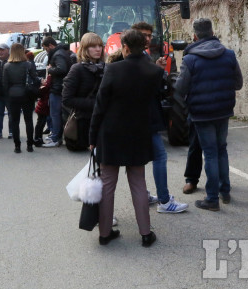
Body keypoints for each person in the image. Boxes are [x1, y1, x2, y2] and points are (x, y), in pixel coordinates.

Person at [89, 29, 162, 247]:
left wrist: (92, 136)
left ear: (126, 47)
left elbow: (99, 106)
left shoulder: (112, 69)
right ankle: (146, 234)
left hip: (110, 134)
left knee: (107, 184)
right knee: (139, 183)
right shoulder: (155, 71)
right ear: (144, 46)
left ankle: (104, 234)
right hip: (139, 133)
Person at [175, 18, 243, 211]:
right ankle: (225, 191)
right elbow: (238, 83)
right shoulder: (228, 55)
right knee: (222, 150)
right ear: (213, 32)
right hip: (223, 111)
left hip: (201, 113)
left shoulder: (190, 59)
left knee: (211, 154)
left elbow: (180, 89)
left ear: (195, 36)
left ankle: (212, 199)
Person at [131, 22, 188, 213]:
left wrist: (157, 69)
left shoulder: (144, 56)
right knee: (158, 157)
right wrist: (157, 73)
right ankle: (164, 201)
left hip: (142, 117)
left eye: (149, 35)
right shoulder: (137, 58)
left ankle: (145, 195)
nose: (147, 38)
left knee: (139, 160)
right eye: (143, 35)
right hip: (145, 117)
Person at [62, 33, 105, 151]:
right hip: (83, 122)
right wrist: (95, 103)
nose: (98, 49)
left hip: (102, 121)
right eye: (93, 46)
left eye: (100, 46)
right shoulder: (77, 69)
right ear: (85, 49)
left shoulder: (106, 68)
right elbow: (67, 99)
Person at [3, 43, 38, 153]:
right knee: (28, 120)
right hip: (27, 94)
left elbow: (5, 84)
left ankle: (17, 146)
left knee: (15, 121)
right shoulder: (28, 64)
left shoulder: (7, 66)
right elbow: (35, 78)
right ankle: (30, 145)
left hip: (13, 95)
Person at [42, 36, 71, 147]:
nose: (46, 51)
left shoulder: (58, 54)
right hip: (61, 87)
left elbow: (61, 69)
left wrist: (50, 69)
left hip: (57, 88)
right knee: (57, 114)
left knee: (55, 114)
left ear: (50, 45)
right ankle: (56, 136)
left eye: (46, 48)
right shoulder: (62, 52)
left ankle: (56, 138)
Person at [33, 74, 52, 147]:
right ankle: (37, 138)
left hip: (41, 109)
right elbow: (48, 85)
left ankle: (38, 138)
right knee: (40, 124)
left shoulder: (42, 88)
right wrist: (49, 76)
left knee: (40, 124)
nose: (45, 80)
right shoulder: (43, 88)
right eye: (43, 80)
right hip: (42, 109)